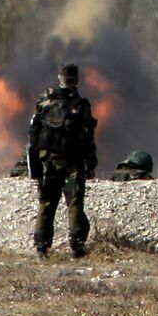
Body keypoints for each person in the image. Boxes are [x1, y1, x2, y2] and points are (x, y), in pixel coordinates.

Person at [28, 62, 98, 259]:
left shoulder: (44, 100)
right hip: (72, 163)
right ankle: (77, 247)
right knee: (74, 203)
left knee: (47, 202)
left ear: (60, 78)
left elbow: (34, 132)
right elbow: (87, 138)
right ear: (76, 80)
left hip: (47, 162)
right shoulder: (81, 105)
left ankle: (41, 247)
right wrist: (91, 165)